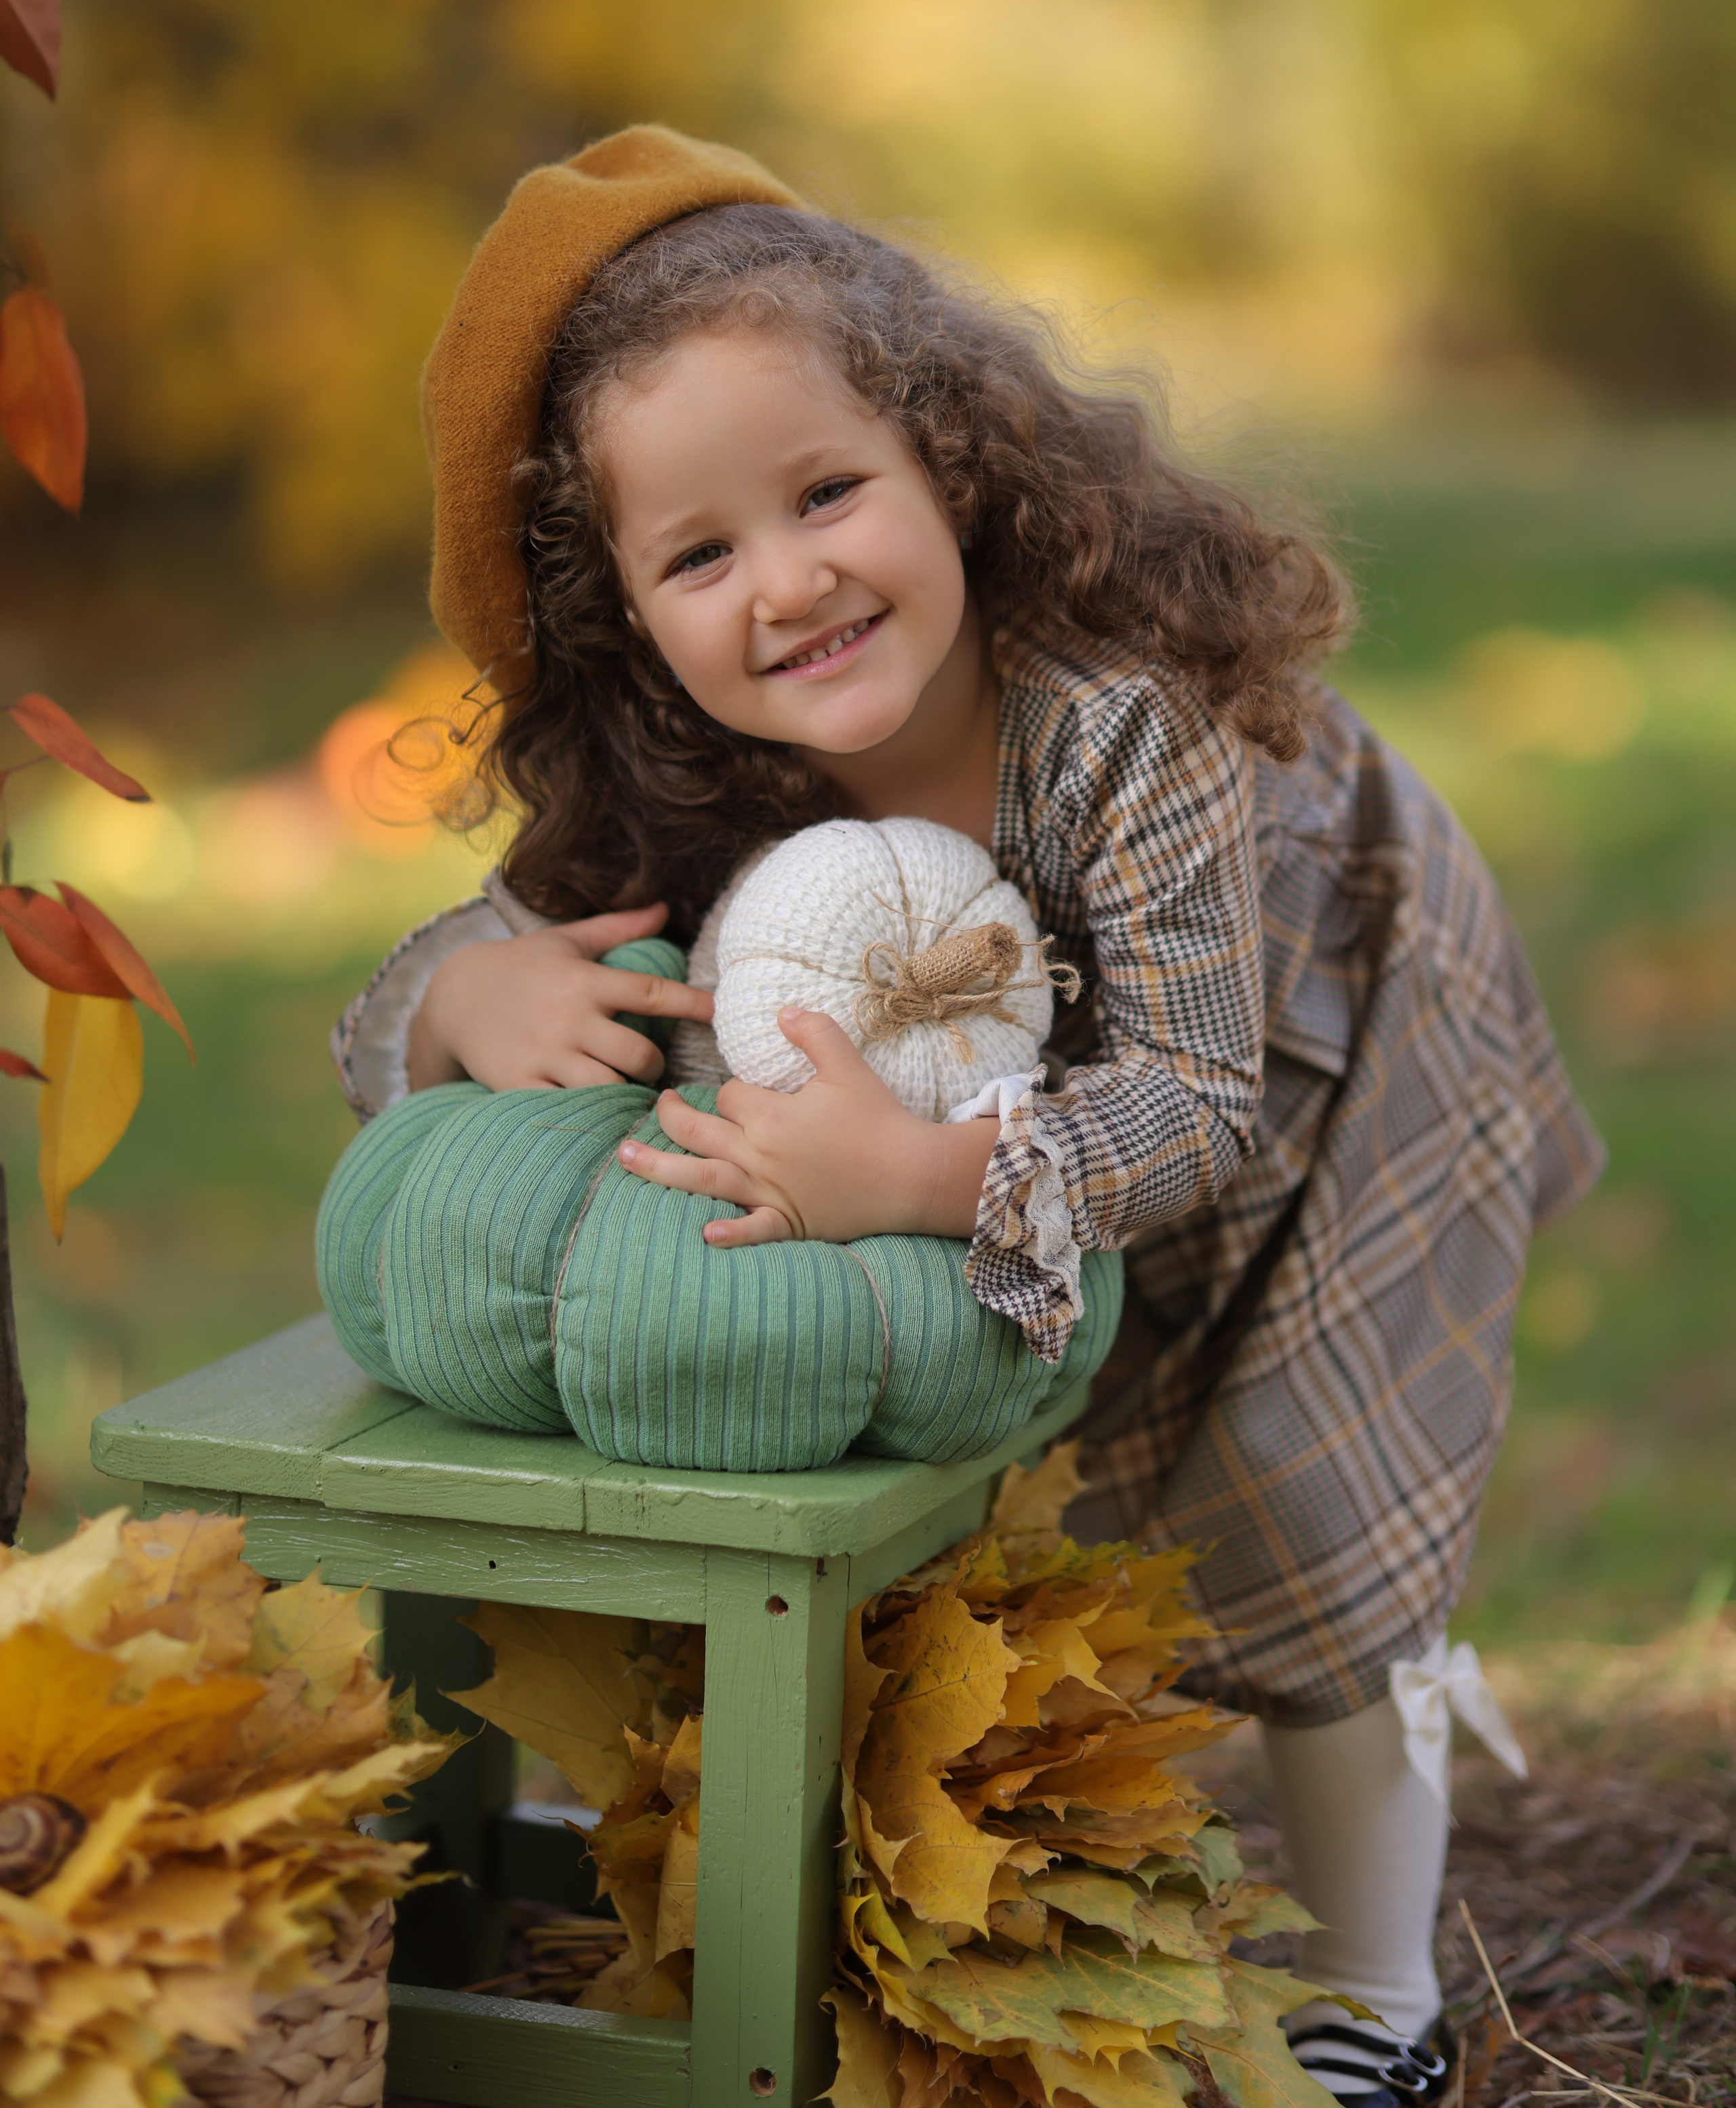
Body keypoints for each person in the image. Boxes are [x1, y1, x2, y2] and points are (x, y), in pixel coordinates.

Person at [332, 124, 1602, 2103]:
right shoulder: (693, 778)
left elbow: (1190, 1104)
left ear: (956, 464)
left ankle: (1377, 2003)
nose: (791, 582)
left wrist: (925, 1178)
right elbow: (400, 1024)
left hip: (1327, 1037)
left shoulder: (1120, 728)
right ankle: (788, 1860)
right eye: (701, 554)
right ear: (628, 621)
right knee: (980, 1466)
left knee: (1303, 1488)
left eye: (829, 490)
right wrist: (456, 998)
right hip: (1028, 1142)